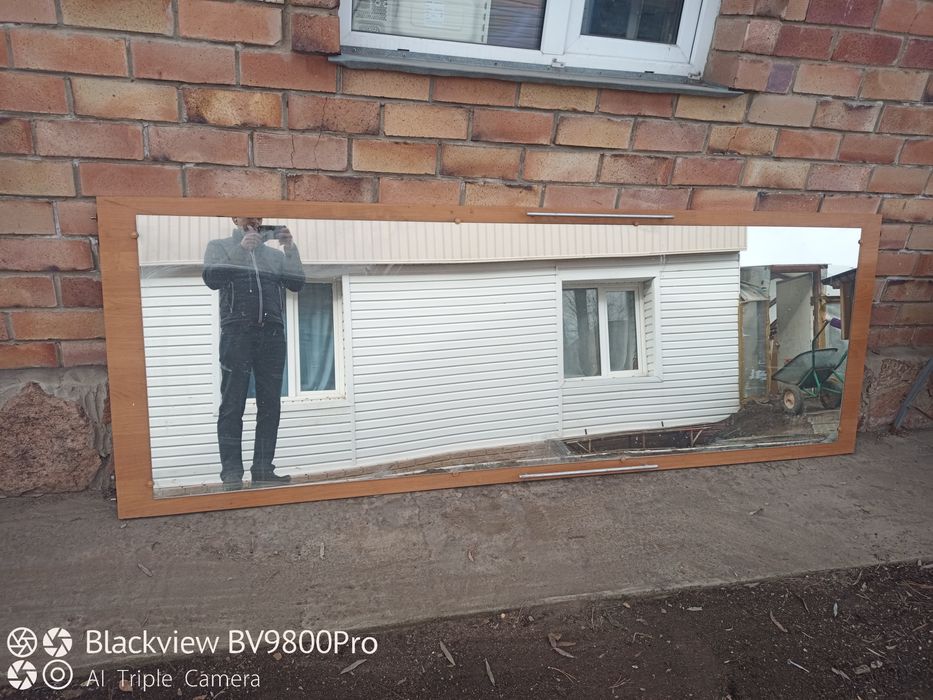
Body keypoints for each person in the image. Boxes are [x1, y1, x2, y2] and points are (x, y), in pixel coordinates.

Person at [202, 217, 305, 490]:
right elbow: (211, 279)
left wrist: (290, 248)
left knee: (270, 405)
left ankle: (262, 470)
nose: (254, 220)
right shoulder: (219, 247)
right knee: (232, 404)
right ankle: (231, 475)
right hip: (237, 332)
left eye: (258, 217)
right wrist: (241, 250)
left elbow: (296, 284)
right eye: (247, 215)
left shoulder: (274, 255)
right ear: (234, 219)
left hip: (272, 334)